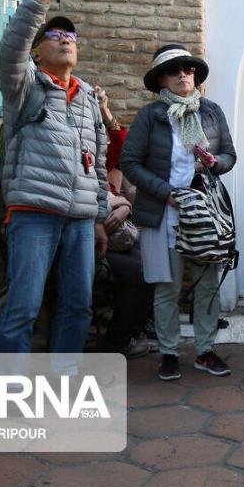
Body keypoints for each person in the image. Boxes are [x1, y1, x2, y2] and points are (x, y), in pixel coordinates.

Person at [0, 0, 108, 355]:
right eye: (55, 35)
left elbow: (100, 159)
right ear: (37, 52)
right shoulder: (25, 86)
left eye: (70, 35)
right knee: (23, 308)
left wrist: (98, 218)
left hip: (79, 220)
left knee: (78, 307)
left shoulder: (88, 97)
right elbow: (10, 51)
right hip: (34, 213)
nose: (66, 39)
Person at [122, 45, 237, 381]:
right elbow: (130, 162)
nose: (183, 75)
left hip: (204, 212)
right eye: (174, 71)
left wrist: (215, 164)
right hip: (164, 211)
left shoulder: (211, 112)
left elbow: (229, 154)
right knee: (167, 287)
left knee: (206, 285)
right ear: (162, 79)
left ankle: (205, 350)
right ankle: (169, 353)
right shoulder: (151, 116)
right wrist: (166, 193)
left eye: (188, 69)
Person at [94, 85, 156, 359]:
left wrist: (104, 111)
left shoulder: (96, 154)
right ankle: (117, 341)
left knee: (150, 260)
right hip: (82, 237)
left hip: (106, 233)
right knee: (140, 272)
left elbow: (120, 142)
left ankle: (135, 329)